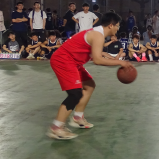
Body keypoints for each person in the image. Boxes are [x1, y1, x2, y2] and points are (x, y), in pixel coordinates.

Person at [48, 12, 132, 140]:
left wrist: (110, 58)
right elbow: (97, 60)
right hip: (64, 60)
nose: (118, 28)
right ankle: (57, 128)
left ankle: (77, 117)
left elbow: (94, 54)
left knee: (89, 85)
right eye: (117, 26)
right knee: (75, 94)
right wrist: (120, 62)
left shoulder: (98, 33)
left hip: (74, 62)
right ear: (111, 25)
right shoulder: (98, 35)